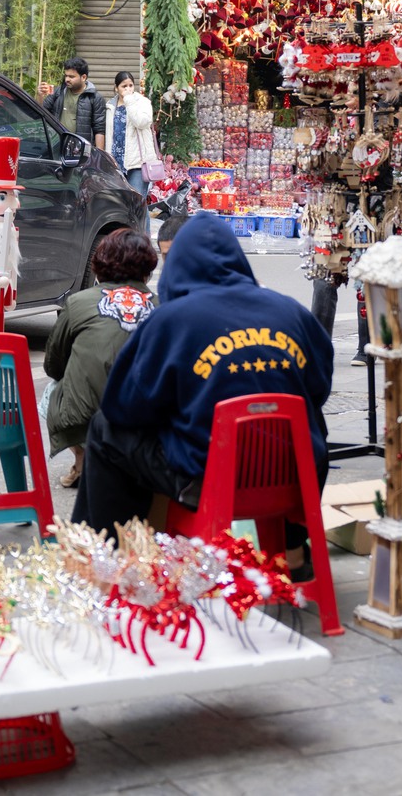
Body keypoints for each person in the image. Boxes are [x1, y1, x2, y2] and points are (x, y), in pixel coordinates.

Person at [77, 213, 334, 570]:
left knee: (106, 429)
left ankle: (103, 557)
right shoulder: (291, 312)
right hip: (293, 480)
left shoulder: (171, 320)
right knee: (310, 418)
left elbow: (124, 407)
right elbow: (319, 389)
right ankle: (292, 549)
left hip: (207, 481)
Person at [44, 229, 159, 487]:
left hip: (85, 418)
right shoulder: (162, 306)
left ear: (100, 265)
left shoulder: (79, 302)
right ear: (148, 268)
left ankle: (83, 458)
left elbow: (53, 365)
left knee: (51, 391)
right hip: (144, 418)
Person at [108, 72, 159, 194]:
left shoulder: (142, 102)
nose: (128, 89)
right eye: (124, 86)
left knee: (137, 200)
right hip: (117, 160)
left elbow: (142, 122)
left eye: (130, 85)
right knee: (124, 203)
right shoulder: (110, 106)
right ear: (116, 88)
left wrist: (129, 101)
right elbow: (109, 132)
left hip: (138, 161)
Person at [40, 58, 106, 152]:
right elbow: (42, 112)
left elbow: (99, 129)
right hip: (57, 145)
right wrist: (40, 96)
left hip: (80, 149)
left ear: (83, 77)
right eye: (66, 76)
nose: (67, 79)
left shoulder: (94, 98)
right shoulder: (58, 92)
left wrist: (99, 156)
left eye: (71, 77)